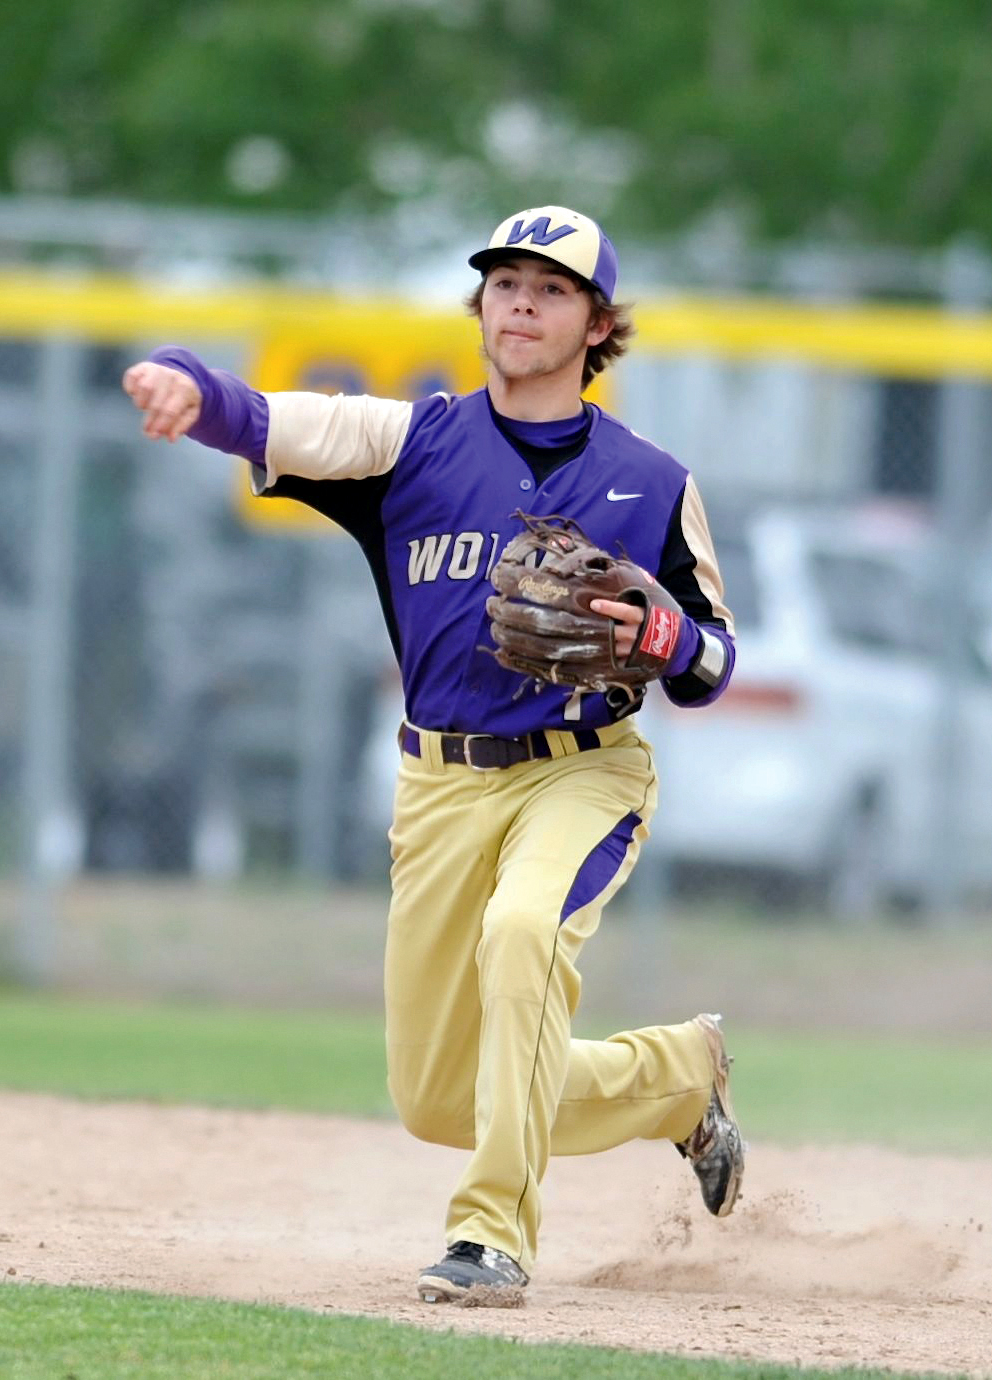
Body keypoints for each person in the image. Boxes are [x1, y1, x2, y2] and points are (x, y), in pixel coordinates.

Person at [121, 205, 743, 1305]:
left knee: (521, 940)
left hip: (581, 771)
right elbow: (268, 419)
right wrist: (182, 378)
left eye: (550, 289)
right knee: (439, 1097)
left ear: (598, 324)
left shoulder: (652, 481)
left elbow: (710, 665)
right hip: (439, 785)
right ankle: (677, 1081)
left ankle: (491, 1237)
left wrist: (664, 635)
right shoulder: (412, 445)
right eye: (504, 282)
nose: (519, 302)